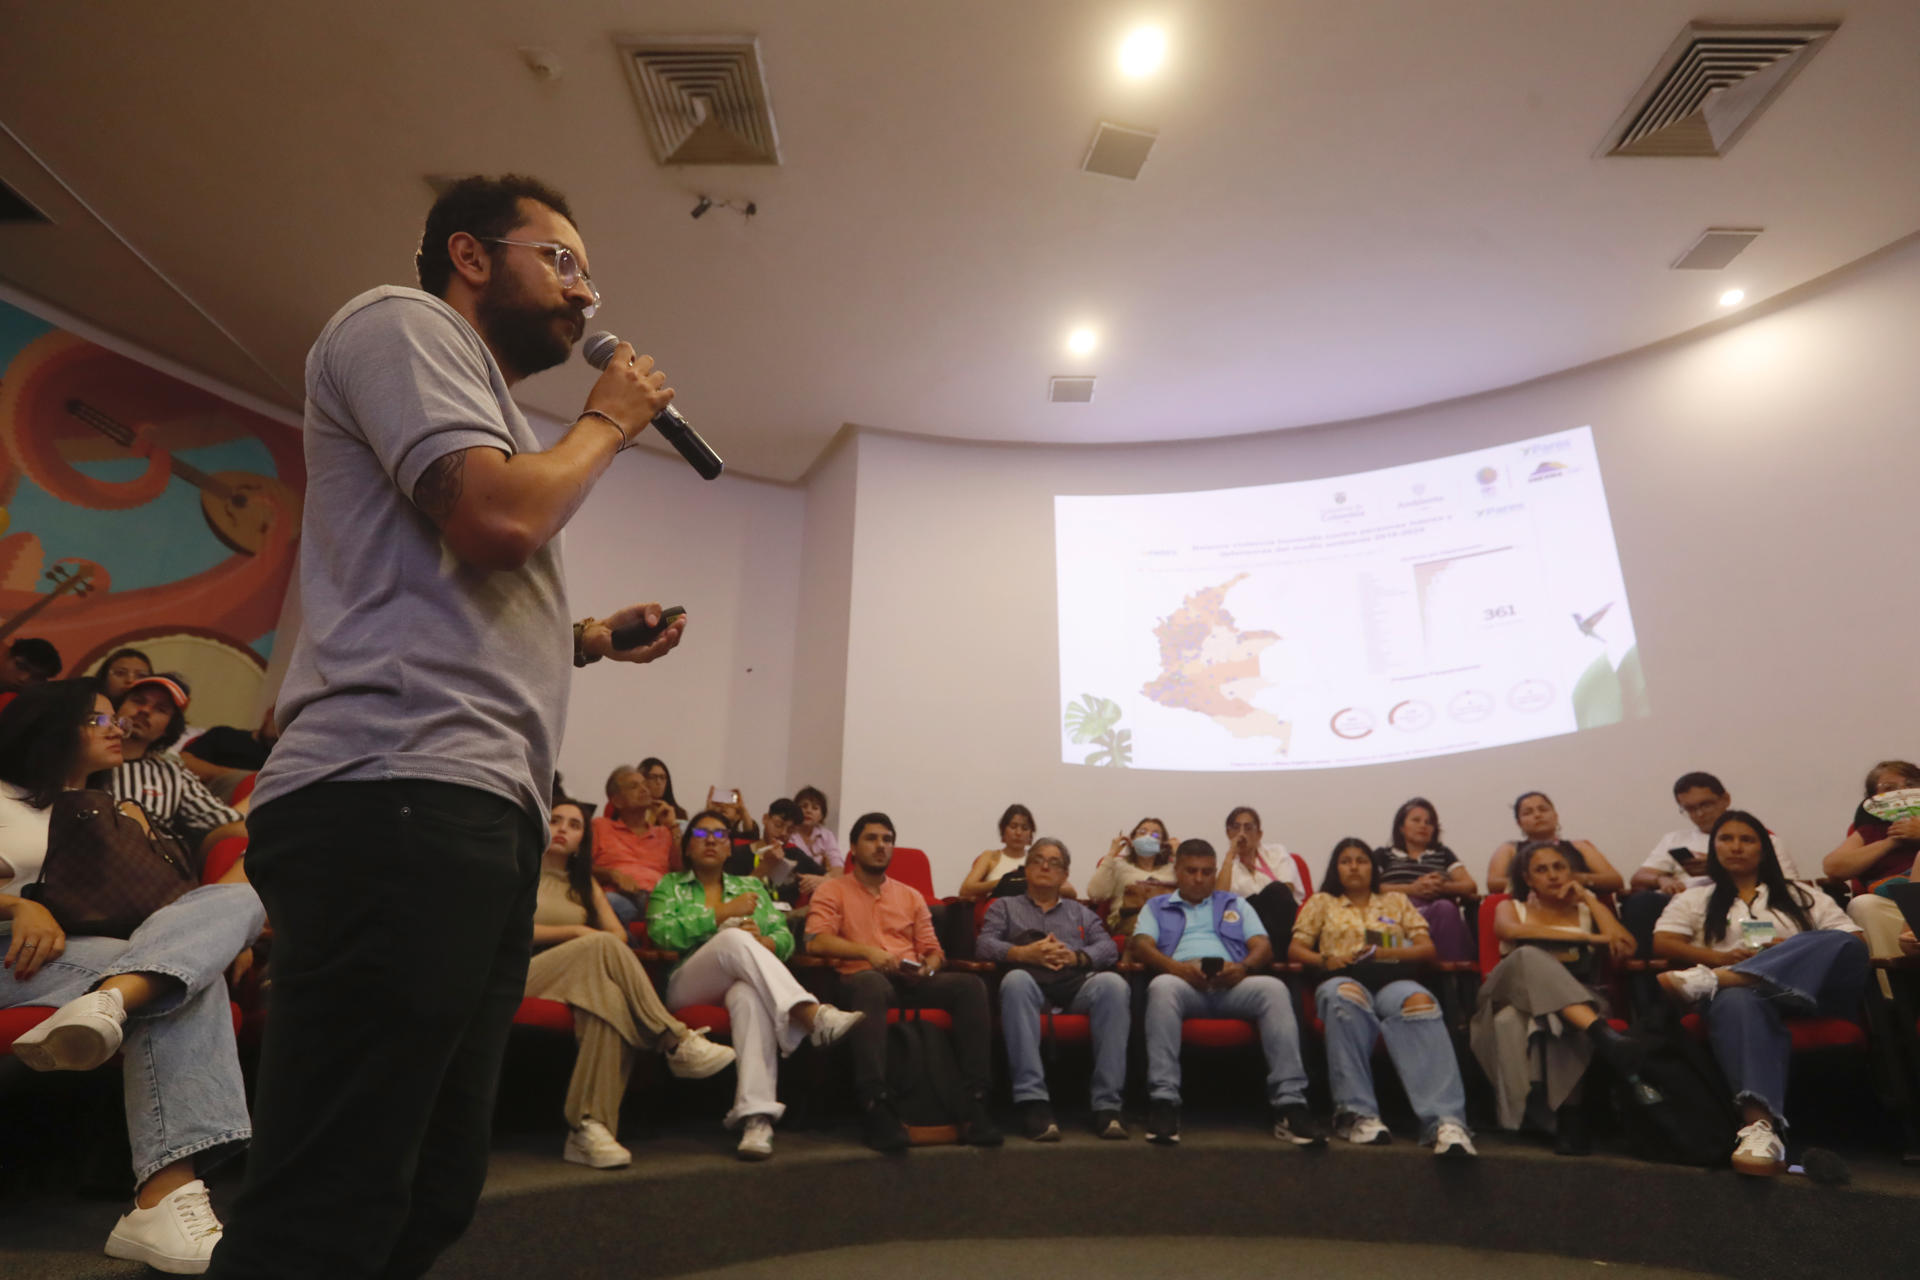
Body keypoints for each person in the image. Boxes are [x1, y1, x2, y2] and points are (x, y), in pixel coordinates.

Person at [206, 173, 690, 1280]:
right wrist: (608, 419)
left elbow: (450, 603)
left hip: (468, 807)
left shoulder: (491, 408)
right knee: (334, 1188)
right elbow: (496, 518)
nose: (583, 291)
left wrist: (589, 638)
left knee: (430, 1184)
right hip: (393, 795)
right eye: (561, 260)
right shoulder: (402, 321)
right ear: (472, 255)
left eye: (587, 272)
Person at [0, 680, 265, 1273]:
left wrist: (217, 935)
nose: (115, 725)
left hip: (93, 956)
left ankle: (114, 1000)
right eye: (96, 719)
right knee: (184, 981)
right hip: (13, 955)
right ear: (49, 727)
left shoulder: (113, 811)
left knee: (244, 899)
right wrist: (19, 906)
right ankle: (163, 1201)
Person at [1654, 810, 1867, 1176]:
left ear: (1764, 849)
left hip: (1808, 995)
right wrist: (1719, 957)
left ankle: (1723, 978)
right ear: (1714, 846)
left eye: (1747, 839)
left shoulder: (1804, 895)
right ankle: (1759, 1129)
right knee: (1738, 998)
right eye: (1726, 839)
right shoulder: (1696, 897)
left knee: (1844, 942)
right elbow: (1663, 941)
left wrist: (1788, 949)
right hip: (1743, 1003)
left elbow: (1853, 941)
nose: (1736, 846)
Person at [525, 798, 733, 1169]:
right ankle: (674, 1038)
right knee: (598, 944)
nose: (562, 829)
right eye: (555, 820)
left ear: (582, 840)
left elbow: (619, 936)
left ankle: (589, 1129)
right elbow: (509, 929)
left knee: (609, 1001)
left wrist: (586, 935)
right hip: (520, 973)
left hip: (575, 978)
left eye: (574, 825)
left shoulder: (582, 883)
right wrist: (576, 930)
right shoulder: (519, 870)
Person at [648, 810, 863, 1160]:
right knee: (733, 938)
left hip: (743, 978)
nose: (712, 841)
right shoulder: (669, 885)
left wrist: (765, 943)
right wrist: (720, 915)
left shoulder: (751, 887)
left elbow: (784, 937)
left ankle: (756, 1118)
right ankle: (809, 1013)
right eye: (702, 835)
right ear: (687, 848)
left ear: (731, 848)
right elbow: (662, 934)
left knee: (748, 995)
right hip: (687, 982)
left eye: (721, 835)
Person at [804, 812, 1001, 1151]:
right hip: (858, 979)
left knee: (970, 987)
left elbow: (933, 949)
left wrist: (929, 967)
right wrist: (868, 953)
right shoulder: (832, 890)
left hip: (909, 979)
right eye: (872, 838)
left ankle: (974, 1101)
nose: (881, 846)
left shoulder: (910, 896)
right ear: (853, 847)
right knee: (871, 984)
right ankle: (875, 1102)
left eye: (887, 839)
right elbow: (815, 941)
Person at [1131, 838, 1325, 1147]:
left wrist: (1244, 968)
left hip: (1232, 982)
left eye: (1207, 872)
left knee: (1274, 989)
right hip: (1183, 983)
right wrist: (1176, 969)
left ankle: (1291, 1104)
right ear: (1177, 871)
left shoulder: (1234, 903)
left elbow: (1262, 945)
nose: (1199, 878)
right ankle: (1164, 1101)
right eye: (1191, 871)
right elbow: (1140, 945)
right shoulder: (1157, 906)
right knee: (1161, 987)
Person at [1289, 838, 1474, 1156]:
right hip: (1341, 976)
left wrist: (1383, 953)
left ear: (1372, 868)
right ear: (1336, 869)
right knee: (1346, 997)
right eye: (1345, 861)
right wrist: (1325, 960)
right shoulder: (1322, 902)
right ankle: (1357, 1114)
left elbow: (1426, 948)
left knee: (1421, 1001)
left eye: (1361, 860)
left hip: (1393, 979)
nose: (1354, 866)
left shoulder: (1396, 901)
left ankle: (1445, 1122)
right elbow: (1296, 949)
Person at [1471, 840, 1639, 1155]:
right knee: (1530, 956)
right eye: (1542, 870)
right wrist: (1590, 939)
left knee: (1560, 1016)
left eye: (1559, 867)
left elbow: (1625, 947)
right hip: (1509, 993)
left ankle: (1569, 1117)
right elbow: (1512, 933)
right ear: (1528, 878)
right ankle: (1599, 1032)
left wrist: (1590, 899)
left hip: (1581, 994)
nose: (1552, 875)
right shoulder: (1510, 906)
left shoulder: (1586, 909)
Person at [975, 838, 1127, 1141]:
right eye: (1038, 860)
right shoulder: (1004, 907)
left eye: (1054, 862)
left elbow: (1108, 947)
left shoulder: (1080, 912)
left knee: (1114, 985)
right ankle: (1033, 1102)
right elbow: (984, 944)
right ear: (1026, 869)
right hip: (1030, 985)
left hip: (1074, 985)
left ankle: (1107, 1105)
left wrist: (1077, 956)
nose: (1045, 866)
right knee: (1015, 981)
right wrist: (1023, 954)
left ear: (1065, 874)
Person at [1621, 771, 1802, 957]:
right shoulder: (1675, 839)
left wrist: (1717, 867)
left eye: (1705, 805)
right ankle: (1646, 975)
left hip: (1741, 901)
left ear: (1725, 799)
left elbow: (1789, 887)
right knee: (1642, 902)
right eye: (1690, 809)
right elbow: (1639, 877)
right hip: (1686, 904)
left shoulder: (1764, 840)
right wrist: (1662, 879)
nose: (1699, 814)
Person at [108, 675, 249, 857]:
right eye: (138, 701)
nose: (144, 710)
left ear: (168, 728)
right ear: (116, 709)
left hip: (147, 866)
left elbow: (225, 822)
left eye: (161, 709)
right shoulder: (82, 757)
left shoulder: (173, 774)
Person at [1820, 760, 1920, 973]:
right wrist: (1893, 840)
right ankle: (1892, 989)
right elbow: (1833, 867)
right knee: (1864, 905)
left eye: (1910, 784)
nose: (1901, 793)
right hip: (1889, 903)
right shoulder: (1870, 829)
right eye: (1890, 788)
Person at [1375, 798, 1476, 962]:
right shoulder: (1384, 855)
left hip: (1437, 911)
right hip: (1396, 912)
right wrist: (1412, 889)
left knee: (1445, 908)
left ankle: (1450, 975)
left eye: (1429, 822)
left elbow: (1470, 886)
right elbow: (1368, 887)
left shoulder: (1443, 853)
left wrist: (1443, 887)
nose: (1423, 825)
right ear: (1401, 827)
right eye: (1416, 820)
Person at [590, 764, 681, 926]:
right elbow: (581, 867)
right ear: (617, 801)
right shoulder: (600, 826)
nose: (644, 790)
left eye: (645, 785)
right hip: (620, 897)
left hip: (659, 901)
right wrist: (613, 875)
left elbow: (683, 871)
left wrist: (673, 826)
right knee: (610, 904)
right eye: (634, 786)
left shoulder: (664, 833)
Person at [1487, 791, 1625, 895]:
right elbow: (1493, 884)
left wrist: (1579, 879)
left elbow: (1615, 880)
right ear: (1519, 823)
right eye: (1528, 812)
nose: (1537, 815)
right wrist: (1538, 882)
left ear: (1555, 815)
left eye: (1543, 809)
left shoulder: (1580, 846)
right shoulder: (1510, 849)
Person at [1219, 805, 1305, 939]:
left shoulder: (1276, 853)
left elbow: (1287, 890)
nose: (1241, 834)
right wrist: (1231, 853)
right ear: (1228, 833)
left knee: (1277, 890)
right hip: (1252, 927)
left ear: (1259, 834)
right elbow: (1219, 899)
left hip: (1285, 918)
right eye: (1236, 828)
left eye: (1248, 828)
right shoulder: (1228, 869)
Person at [1085, 816, 1178, 938]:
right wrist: (1112, 854)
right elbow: (1095, 894)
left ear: (1163, 845)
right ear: (1132, 841)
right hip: (1130, 921)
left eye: (1155, 835)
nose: (1148, 837)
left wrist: (1178, 855)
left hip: (1168, 921)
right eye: (1142, 832)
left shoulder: (1172, 868)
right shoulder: (1118, 865)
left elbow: (1197, 892)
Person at [958, 803, 1037, 901]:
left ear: (1030, 835)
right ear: (1003, 831)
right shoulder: (990, 856)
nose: (1018, 833)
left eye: (1025, 828)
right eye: (1013, 827)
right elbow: (965, 889)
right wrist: (1004, 882)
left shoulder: (1036, 860)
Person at [791, 784, 842, 881]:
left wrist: (821, 880)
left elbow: (838, 867)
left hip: (822, 885)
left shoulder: (827, 835)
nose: (808, 811)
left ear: (822, 815)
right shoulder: (788, 834)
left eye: (815, 808)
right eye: (804, 806)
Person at [637, 756, 688, 822]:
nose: (659, 782)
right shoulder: (633, 813)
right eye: (653, 777)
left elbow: (696, 832)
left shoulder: (679, 813)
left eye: (662, 777)